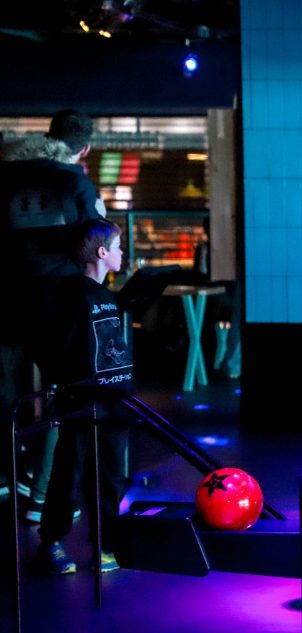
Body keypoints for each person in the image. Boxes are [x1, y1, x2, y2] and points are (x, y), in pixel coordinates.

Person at [0, 109, 105, 516]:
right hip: (58, 305)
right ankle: (44, 495)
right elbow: (95, 238)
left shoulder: (4, 176)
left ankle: (9, 477)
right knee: (65, 395)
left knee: (6, 397)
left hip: (6, 305)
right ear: (85, 148)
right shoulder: (72, 180)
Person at [37, 218, 131, 574]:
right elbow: (55, 345)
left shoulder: (106, 294)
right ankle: (52, 541)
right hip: (82, 400)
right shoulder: (69, 294)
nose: (123, 254)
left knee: (110, 476)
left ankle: (106, 542)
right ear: (103, 253)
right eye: (119, 248)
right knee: (70, 471)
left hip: (115, 400)